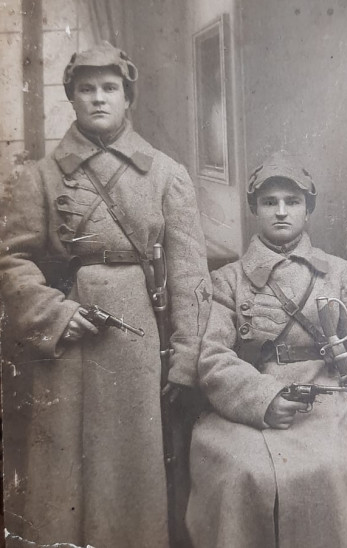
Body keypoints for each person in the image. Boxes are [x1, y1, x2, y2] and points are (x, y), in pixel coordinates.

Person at [0, 42, 211, 548]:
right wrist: (51, 313)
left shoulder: (165, 173)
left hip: (140, 340)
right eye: (86, 89)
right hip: (69, 338)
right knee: (65, 471)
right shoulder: (40, 177)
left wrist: (185, 357)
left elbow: (190, 275)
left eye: (110, 88)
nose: (98, 98)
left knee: (133, 468)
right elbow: (12, 260)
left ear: (127, 97)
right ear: (71, 97)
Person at [184, 151, 347, 548]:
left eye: (292, 201)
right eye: (270, 202)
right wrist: (264, 399)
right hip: (247, 412)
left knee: (335, 469)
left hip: (327, 405)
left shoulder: (340, 273)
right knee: (241, 473)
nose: (281, 212)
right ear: (254, 209)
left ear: (308, 209)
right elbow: (213, 357)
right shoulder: (228, 279)